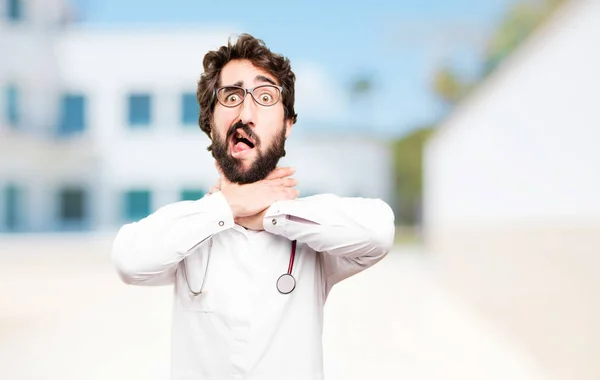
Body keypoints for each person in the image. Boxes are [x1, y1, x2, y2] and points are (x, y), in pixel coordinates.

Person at [111, 33, 395, 380]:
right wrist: (228, 206)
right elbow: (129, 260)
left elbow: (379, 231)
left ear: (287, 125)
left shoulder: (310, 234)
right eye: (231, 96)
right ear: (210, 123)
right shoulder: (190, 229)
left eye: (264, 97)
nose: (246, 112)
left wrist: (270, 214)